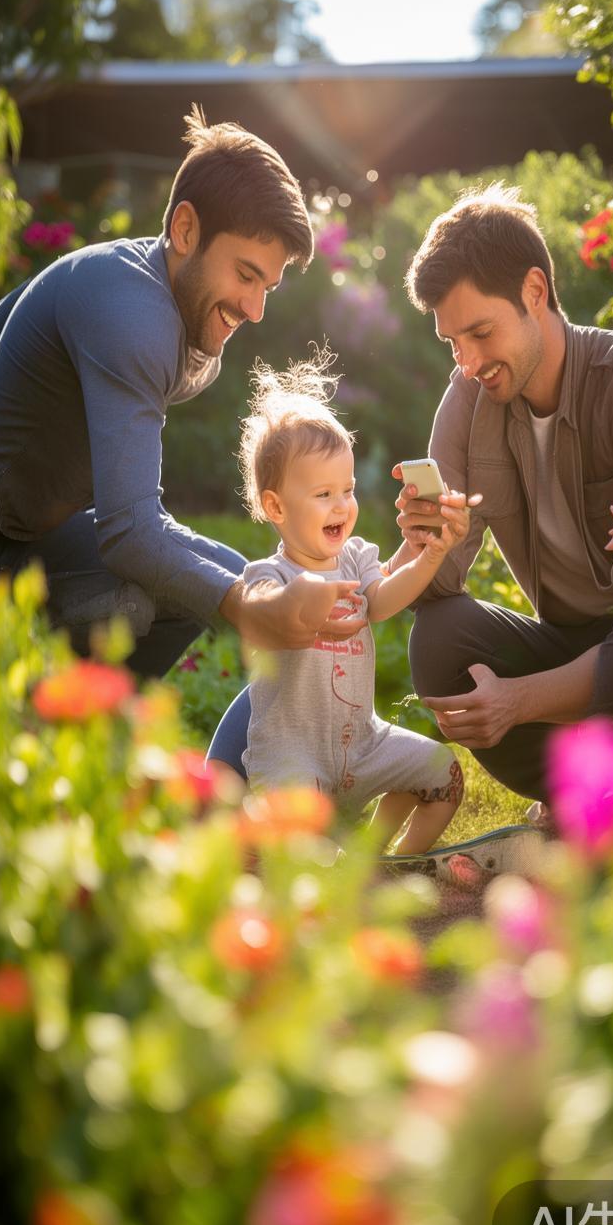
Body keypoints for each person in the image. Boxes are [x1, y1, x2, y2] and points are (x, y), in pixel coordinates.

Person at [0, 106, 364, 675]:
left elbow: (136, 520)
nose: (255, 309)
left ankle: (92, 732)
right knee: (139, 599)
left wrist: (270, 585)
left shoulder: (151, 292)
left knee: (215, 576)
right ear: (184, 229)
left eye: (268, 287)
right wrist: (251, 609)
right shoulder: (131, 313)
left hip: (27, 529)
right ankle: (49, 729)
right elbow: (130, 534)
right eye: (245, 275)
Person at [390, 181, 613, 802]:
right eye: (453, 343)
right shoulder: (468, 400)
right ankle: (593, 800)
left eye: (481, 332)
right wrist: (426, 545)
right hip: (566, 645)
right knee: (441, 637)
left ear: (535, 291)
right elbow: (436, 590)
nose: (466, 362)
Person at [210, 354, 474, 854]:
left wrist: (432, 554)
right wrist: (295, 599)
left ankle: (388, 858)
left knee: (447, 777)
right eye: (324, 493)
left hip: (363, 746)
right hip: (292, 758)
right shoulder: (268, 576)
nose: (342, 506)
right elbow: (261, 606)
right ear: (276, 507)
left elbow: (382, 600)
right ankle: (262, 840)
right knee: (301, 852)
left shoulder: (355, 559)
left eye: (348, 490)